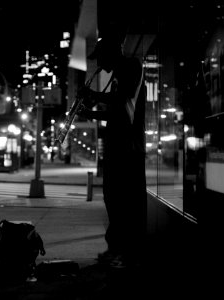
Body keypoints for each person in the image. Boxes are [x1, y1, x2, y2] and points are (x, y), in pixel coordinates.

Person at [77, 35, 147, 268]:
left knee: (125, 200)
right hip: (118, 146)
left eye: (101, 57)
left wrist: (94, 96)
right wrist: (91, 113)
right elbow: (116, 112)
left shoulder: (131, 66)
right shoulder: (118, 73)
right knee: (112, 197)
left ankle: (126, 252)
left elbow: (123, 102)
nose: (99, 65)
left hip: (128, 147)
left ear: (111, 52)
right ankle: (117, 248)